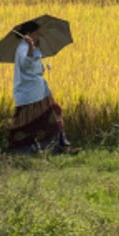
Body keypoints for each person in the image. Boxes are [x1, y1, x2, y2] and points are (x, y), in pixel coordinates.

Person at [7, 20, 76, 154]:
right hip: (31, 94)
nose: (38, 36)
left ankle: (58, 146)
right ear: (29, 34)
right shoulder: (23, 48)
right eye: (36, 34)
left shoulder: (28, 46)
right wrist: (31, 48)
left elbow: (36, 67)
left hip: (37, 92)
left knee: (52, 114)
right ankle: (42, 149)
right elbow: (27, 65)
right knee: (42, 119)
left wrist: (34, 49)